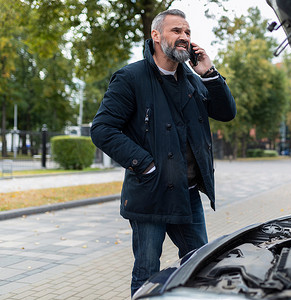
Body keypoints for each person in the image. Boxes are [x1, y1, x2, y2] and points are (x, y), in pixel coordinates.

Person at [90, 9, 236, 296]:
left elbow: (226, 112)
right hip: (150, 196)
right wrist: (145, 166)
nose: (184, 37)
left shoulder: (194, 80)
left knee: (200, 266)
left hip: (187, 194)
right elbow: (102, 129)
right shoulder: (130, 78)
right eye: (176, 31)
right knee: (147, 274)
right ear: (156, 36)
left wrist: (209, 74)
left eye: (187, 32)